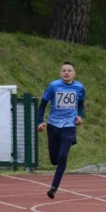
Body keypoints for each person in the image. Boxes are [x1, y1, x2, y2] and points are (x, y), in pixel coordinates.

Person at [36, 61, 85, 199]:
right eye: (64, 70)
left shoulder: (79, 88)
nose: (67, 72)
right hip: (53, 126)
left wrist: (79, 116)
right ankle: (63, 148)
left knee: (63, 157)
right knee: (54, 160)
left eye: (69, 70)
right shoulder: (53, 86)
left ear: (74, 74)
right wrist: (40, 122)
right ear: (60, 73)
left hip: (69, 126)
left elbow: (81, 104)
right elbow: (42, 104)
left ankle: (54, 188)